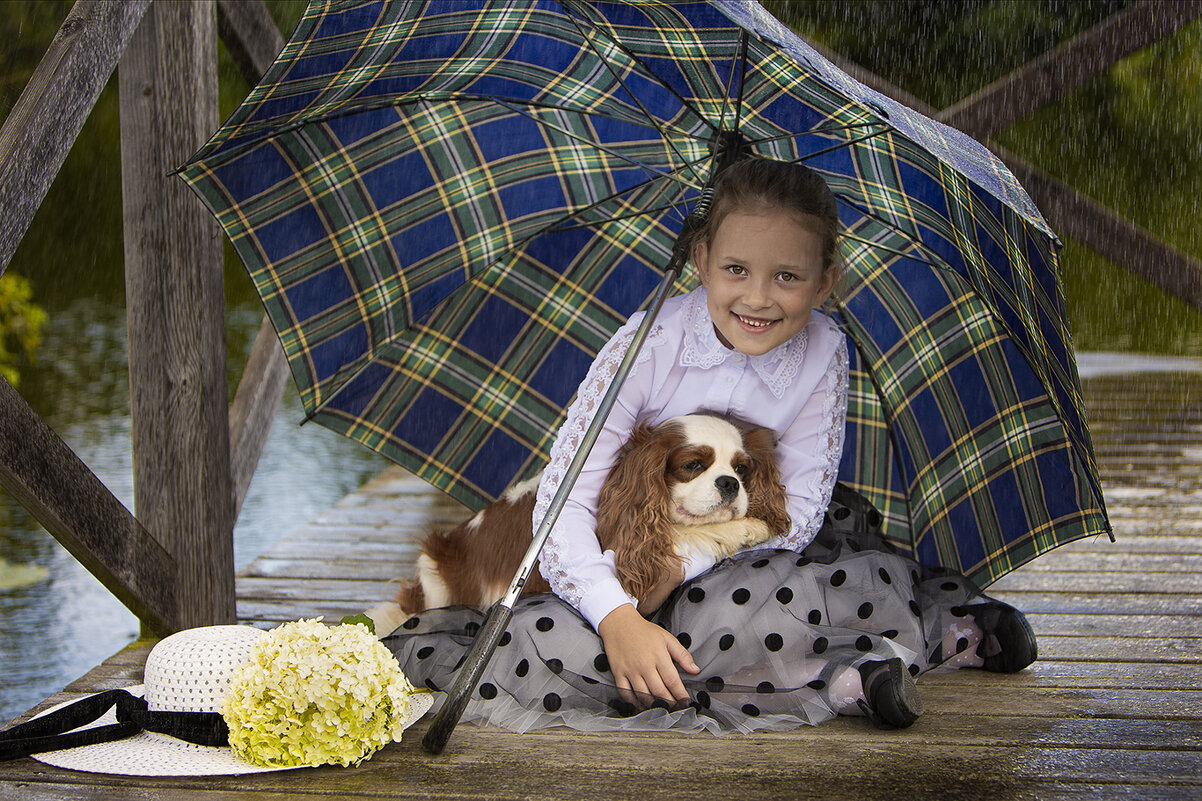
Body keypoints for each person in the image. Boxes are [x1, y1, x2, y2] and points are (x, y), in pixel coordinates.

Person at [385, 158, 1036, 734]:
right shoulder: (649, 345)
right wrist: (617, 614)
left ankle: (938, 637)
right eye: (735, 269)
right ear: (700, 260)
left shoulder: (823, 350)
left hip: (753, 544)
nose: (757, 297)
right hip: (627, 543)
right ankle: (851, 676)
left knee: (791, 591)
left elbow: (797, 514)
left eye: (787, 276)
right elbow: (565, 503)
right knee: (565, 641)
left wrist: (687, 558)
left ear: (826, 279)